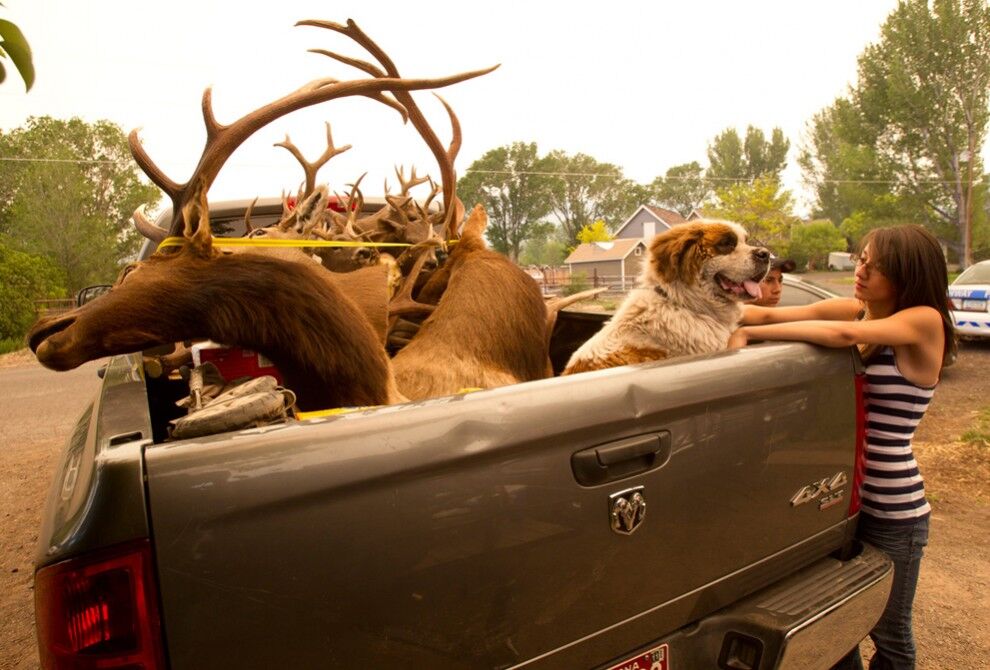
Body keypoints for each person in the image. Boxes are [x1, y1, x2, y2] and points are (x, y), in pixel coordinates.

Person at [727, 225, 956, 670]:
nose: (862, 270)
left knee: (890, 632)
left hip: (894, 512)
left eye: (878, 265)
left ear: (907, 273)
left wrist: (753, 338)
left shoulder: (922, 320)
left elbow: (840, 337)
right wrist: (729, 323)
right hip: (839, 503)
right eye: (861, 259)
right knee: (839, 623)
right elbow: (768, 316)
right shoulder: (860, 312)